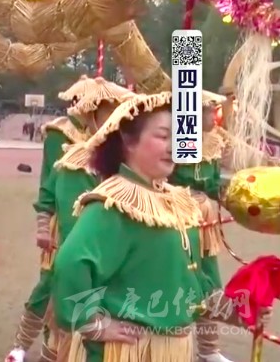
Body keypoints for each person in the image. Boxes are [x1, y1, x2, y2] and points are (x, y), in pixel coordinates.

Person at [52, 91, 264, 361]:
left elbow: (192, 285)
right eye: (163, 137)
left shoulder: (178, 201)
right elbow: (70, 264)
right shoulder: (114, 203)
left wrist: (237, 312)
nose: (174, 146)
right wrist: (93, 323)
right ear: (128, 141)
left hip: (175, 350)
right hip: (130, 351)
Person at [7, 76, 132, 362]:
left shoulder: (124, 152)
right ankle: (23, 345)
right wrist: (43, 222)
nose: (116, 118)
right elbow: (49, 183)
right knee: (51, 287)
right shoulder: (64, 142)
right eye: (109, 110)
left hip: (107, 241)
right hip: (68, 227)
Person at [168, 90, 233, 362]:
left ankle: (208, 349)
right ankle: (171, 345)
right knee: (180, 279)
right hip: (178, 216)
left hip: (206, 222)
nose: (213, 117)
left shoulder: (216, 140)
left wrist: (232, 199)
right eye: (208, 112)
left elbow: (214, 183)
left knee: (210, 281)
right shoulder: (173, 139)